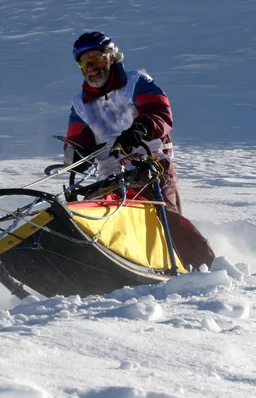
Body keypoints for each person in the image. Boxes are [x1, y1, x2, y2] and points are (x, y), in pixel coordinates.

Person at [64, 31, 215, 269]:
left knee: (164, 219)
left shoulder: (136, 82)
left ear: (112, 58)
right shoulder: (80, 104)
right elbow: (76, 138)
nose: (91, 67)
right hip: (110, 177)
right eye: (85, 62)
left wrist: (141, 129)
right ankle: (109, 268)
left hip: (151, 164)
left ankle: (204, 268)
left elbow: (160, 113)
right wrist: (76, 156)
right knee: (98, 219)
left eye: (97, 59)